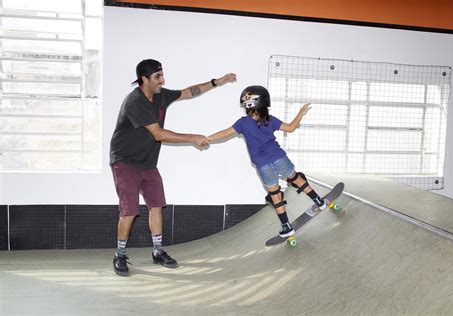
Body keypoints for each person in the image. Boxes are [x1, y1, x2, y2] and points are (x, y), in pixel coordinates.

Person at [110, 59, 236, 276]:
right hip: (125, 161)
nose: (163, 80)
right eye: (157, 76)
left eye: (162, 75)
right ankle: (120, 255)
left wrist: (218, 82)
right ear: (144, 79)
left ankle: (158, 252)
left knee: (156, 205)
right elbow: (158, 134)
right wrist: (192, 137)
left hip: (148, 162)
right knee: (129, 211)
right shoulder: (135, 102)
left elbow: (189, 92)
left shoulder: (160, 95)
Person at [207, 85, 327, 238]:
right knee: (296, 178)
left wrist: (207, 138)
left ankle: (286, 226)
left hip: (263, 165)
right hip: (279, 157)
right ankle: (319, 201)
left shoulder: (242, 123)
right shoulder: (269, 119)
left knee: (275, 194)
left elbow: (224, 133)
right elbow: (290, 128)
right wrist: (301, 113)